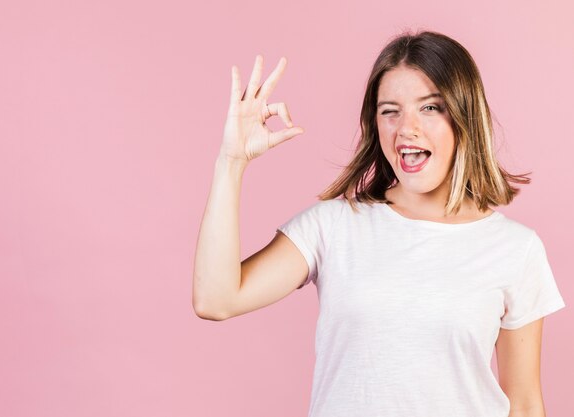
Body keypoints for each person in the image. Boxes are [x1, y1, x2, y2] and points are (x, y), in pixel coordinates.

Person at [192, 30, 566, 417]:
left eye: (430, 107)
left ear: (464, 116)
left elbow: (523, 403)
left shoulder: (514, 249)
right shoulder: (334, 226)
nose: (406, 128)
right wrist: (231, 161)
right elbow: (216, 300)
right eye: (390, 110)